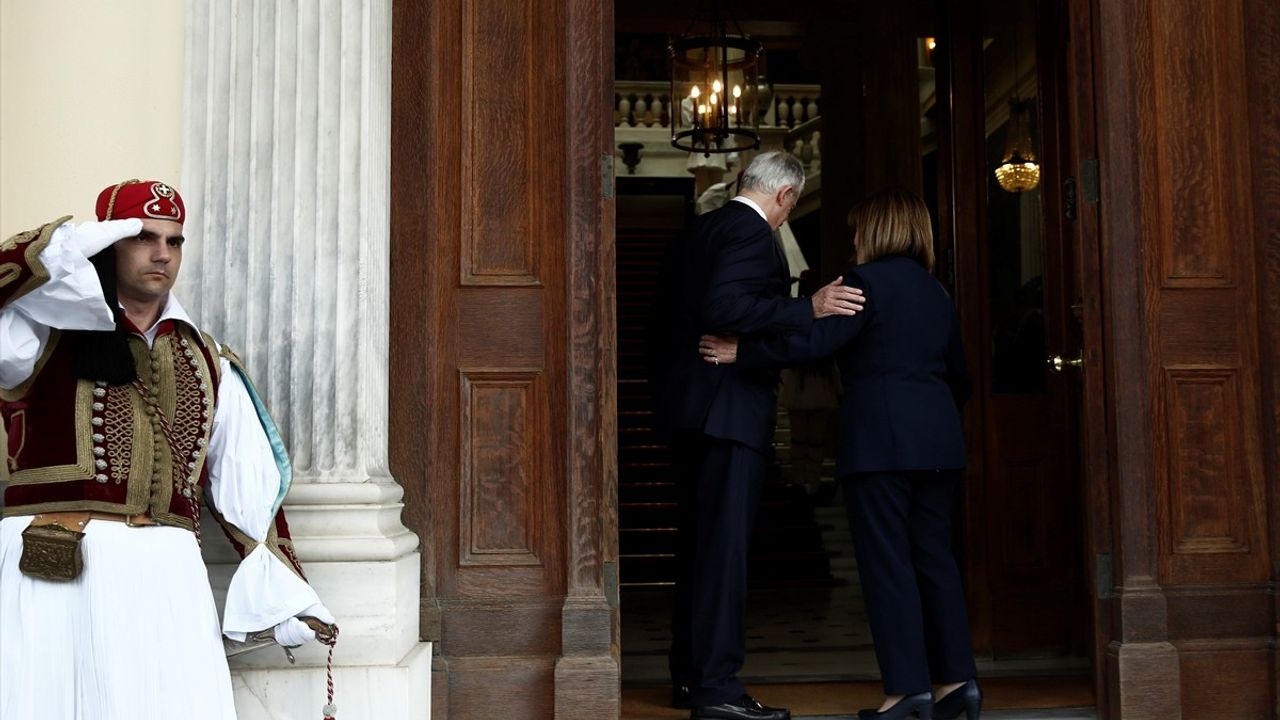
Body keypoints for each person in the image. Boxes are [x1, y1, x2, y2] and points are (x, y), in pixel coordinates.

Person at [0, 179, 336, 720]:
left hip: (166, 569)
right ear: (110, 245)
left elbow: (248, 486)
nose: (162, 253)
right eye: (143, 237)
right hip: (57, 567)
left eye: (174, 241)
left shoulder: (208, 358)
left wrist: (288, 593)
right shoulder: (37, 332)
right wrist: (72, 248)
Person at [699, 189, 982, 720]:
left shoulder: (863, 283)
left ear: (875, 231)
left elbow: (814, 345)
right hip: (940, 442)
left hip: (880, 445)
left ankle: (907, 694)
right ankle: (957, 684)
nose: (853, 239)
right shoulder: (935, 291)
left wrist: (743, 351)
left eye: (857, 230)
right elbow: (959, 375)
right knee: (936, 563)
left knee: (888, 565)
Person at [650, 151, 865, 720]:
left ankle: (692, 680)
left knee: (700, 550)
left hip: (690, 410)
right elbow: (726, 305)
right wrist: (806, 307)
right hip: (726, 411)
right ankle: (717, 690)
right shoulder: (751, 232)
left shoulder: (701, 230)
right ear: (786, 198)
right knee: (723, 555)